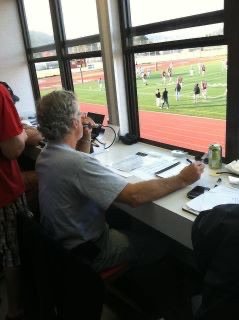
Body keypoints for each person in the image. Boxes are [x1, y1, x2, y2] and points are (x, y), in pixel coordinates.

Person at [36, 90, 204, 273]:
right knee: (160, 244)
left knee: (125, 221)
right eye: (79, 113)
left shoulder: (46, 155)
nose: (83, 117)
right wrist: (182, 178)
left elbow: (76, 170)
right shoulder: (77, 164)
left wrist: (86, 138)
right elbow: (134, 196)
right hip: (87, 251)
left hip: (59, 245)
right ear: (74, 122)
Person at [0, 82, 30, 320]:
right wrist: (23, 132)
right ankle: (15, 311)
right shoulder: (0, 93)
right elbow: (12, 148)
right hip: (3, 194)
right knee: (13, 250)